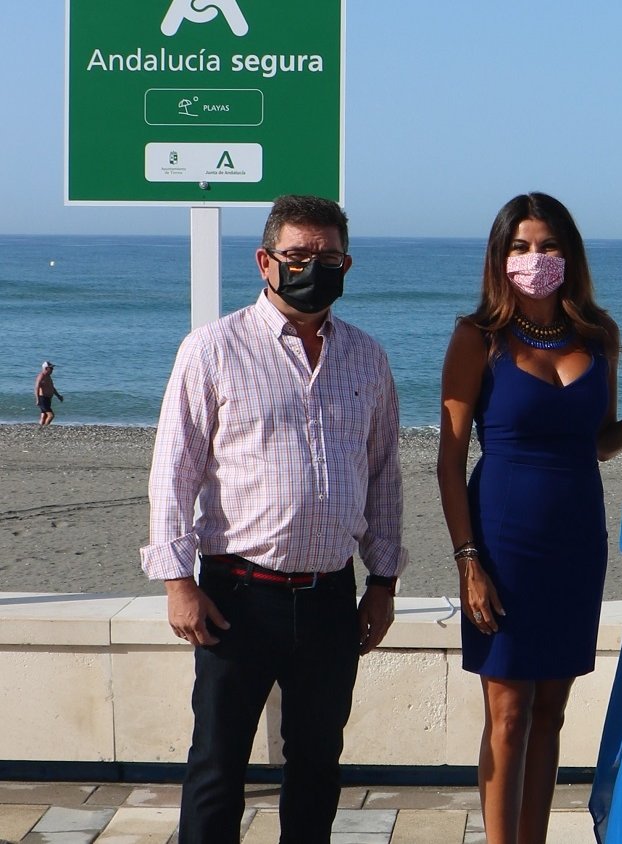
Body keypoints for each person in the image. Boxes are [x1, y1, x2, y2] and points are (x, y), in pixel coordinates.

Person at [140, 194, 407, 844]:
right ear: (265, 262)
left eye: (328, 257)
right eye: (297, 256)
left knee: (317, 769)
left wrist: (383, 582)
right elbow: (173, 471)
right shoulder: (213, 349)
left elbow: (384, 476)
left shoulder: (367, 359)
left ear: (348, 264)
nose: (313, 267)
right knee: (216, 769)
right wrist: (178, 582)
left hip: (329, 601)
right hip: (236, 598)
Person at [437, 192, 622, 844]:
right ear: (500, 258)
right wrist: (468, 561)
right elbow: (448, 459)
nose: (535, 258)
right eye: (521, 247)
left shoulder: (598, 336)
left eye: (548, 245)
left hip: (577, 542)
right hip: (502, 542)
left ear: (569, 255)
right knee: (508, 712)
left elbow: (600, 441)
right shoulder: (478, 338)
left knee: (551, 711)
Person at [35, 360, 63, 425]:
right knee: (51, 415)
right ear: (46, 368)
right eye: (51, 368)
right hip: (42, 399)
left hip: (48, 398)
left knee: (44, 415)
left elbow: (52, 388)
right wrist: (37, 399)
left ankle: (41, 428)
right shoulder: (41, 376)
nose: (52, 370)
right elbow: (37, 388)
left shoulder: (48, 376)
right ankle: (46, 428)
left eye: (52, 368)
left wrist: (58, 396)